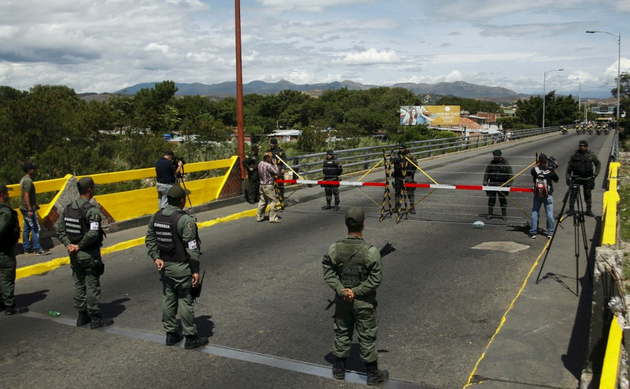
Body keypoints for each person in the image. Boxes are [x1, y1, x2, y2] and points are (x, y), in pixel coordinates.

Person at [322, 207, 389, 386]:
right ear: (363, 225)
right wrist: (356, 291)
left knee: (342, 331)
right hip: (363, 301)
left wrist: (341, 290)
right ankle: (373, 373)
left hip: (343, 300)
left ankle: (339, 369)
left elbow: (328, 271)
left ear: (346, 224)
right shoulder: (371, 251)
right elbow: (376, 279)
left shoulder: (335, 248)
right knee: (366, 335)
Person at [145, 185, 208, 349]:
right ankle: (190, 337)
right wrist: (195, 270)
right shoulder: (184, 220)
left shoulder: (157, 216)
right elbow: (192, 249)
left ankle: (171, 334)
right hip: (181, 267)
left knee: (168, 298)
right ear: (182, 200)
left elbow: (150, 239)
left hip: (165, 266)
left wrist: (156, 257)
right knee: (185, 300)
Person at [56, 177, 113, 328]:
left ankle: (82, 316)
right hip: (88, 253)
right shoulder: (92, 211)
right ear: (89, 190)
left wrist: (69, 245)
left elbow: (60, 230)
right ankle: (95, 317)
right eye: (93, 188)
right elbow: (93, 233)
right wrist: (79, 246)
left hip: (74, 254)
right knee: (92, 284)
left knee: (78, 283)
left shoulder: (68, 208)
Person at [0, 184, 29, 315]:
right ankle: (10, 305)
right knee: (7, 276)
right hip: (4, 250)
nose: (8, 195)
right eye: (6, 193)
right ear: (2, 195)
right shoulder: (5, 212)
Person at [19, 162, 51, 255]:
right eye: (33, 169)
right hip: (27, 208)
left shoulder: (23, 180)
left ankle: (26, 248)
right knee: (35, 228)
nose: (35, 170)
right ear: (29, 170)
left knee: (27, 228)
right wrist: (30, 209)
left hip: (23, 207)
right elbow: (26, 195)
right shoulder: (28, 181)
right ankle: (38, 249)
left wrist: (34, 204)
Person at [566, 140, 601, 217]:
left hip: (587, 179)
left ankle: (588, 210)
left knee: (587, 195)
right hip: (576, 178)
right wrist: (567, 178)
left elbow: (598, 164)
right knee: (573, 194)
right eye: (581, 146)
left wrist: (595, 175)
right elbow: (569, 168)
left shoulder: (591, 155)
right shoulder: (574, 156)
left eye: (584, 146)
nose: (582, 147)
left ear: (586, 146)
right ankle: (571, 209)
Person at [529, 154, 559, 239]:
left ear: (538, 161)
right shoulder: (549, 171)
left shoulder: (534, 170)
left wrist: (537, 164)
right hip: (548, 194)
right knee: (549, 214)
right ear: (546, 161)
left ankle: (533, 232)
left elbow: (534, 172)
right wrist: (555, 168)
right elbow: (556, 180)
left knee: (535, 212)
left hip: (537, 195)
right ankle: (550, 232)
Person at [483, 150, 513, 220]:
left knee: (502, 199)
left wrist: (508, 184)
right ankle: (490, 214)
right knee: (491, 199)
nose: (494, 158)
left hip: (502, 184)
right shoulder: (491, 163)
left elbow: (510, 174)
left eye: (495, 157)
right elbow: (487, 173)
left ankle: (504, 214)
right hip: (492, 183)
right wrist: (485, 182)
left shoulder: (505, 164)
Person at [392, 143, 417, 214]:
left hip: (407, 177)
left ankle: (412, 207)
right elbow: (392, 163)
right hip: (398, 177)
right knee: (397, 193)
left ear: (405, 148)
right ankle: (397, 207)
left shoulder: (410, 156)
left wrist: (409, 170)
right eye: (399, 148)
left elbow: (415, 166)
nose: (400, 150)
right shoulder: (397, 156)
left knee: (410, 193)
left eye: (402, 148)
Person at [256, 152, 281, 223]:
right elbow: (277, 172)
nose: (271, 159)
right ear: (267, 158)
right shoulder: (268, 165)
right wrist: (275, 164)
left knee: (262, 201)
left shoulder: (260, 163)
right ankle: (273, 217)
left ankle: (259, 216)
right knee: (273, 201)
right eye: (270, 157)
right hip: (268, 185)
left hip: (262, 184)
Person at [267, 139, 287, 211]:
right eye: (271, 143)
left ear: (275, 144)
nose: (271, 145)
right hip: (271, 172)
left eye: (272, 143)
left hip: (279, 171)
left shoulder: (280, 151)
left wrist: (283, 168)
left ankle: (282, 204)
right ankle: (272, 205)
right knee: (271, 188)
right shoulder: (268, 151)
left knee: (280, 187)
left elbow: (284, 160)